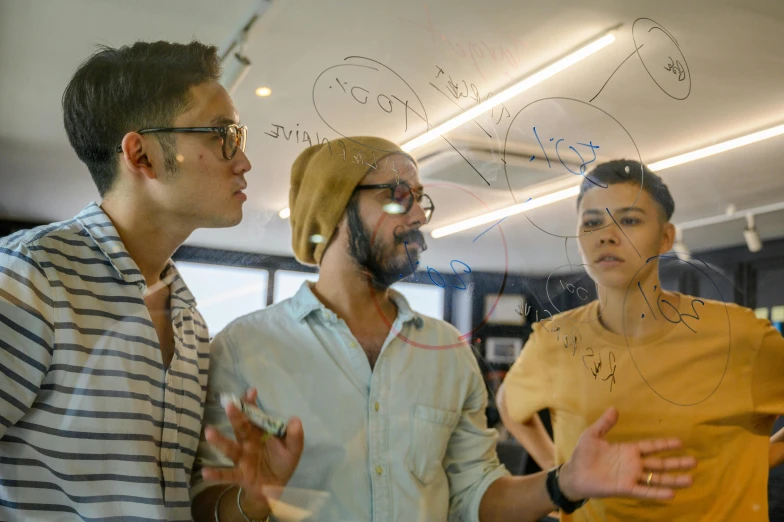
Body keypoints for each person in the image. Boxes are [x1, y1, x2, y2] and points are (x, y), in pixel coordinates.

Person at [191, 139, 695, 522]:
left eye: (420, 200)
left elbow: (477, 494)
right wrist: (252, 502)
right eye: (397, 197)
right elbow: (205, 502)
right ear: (335, 210)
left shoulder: (446, 351)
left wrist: (564, 483)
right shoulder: (243, 350)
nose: (418, 217)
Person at [0, 40, 252, 520]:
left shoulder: (190, 324)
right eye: (222, 135)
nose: (243, 160)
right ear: (141, 156)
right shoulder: (30, 278)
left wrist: (252, 499)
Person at [497, 160, 784, 521]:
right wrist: (565, 476)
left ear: (665, 237)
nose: (606, 234)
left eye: (629, 220)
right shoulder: (554, 339)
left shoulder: (739, 336)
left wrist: (757, 462)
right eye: (592, 222)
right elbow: (510, 406)